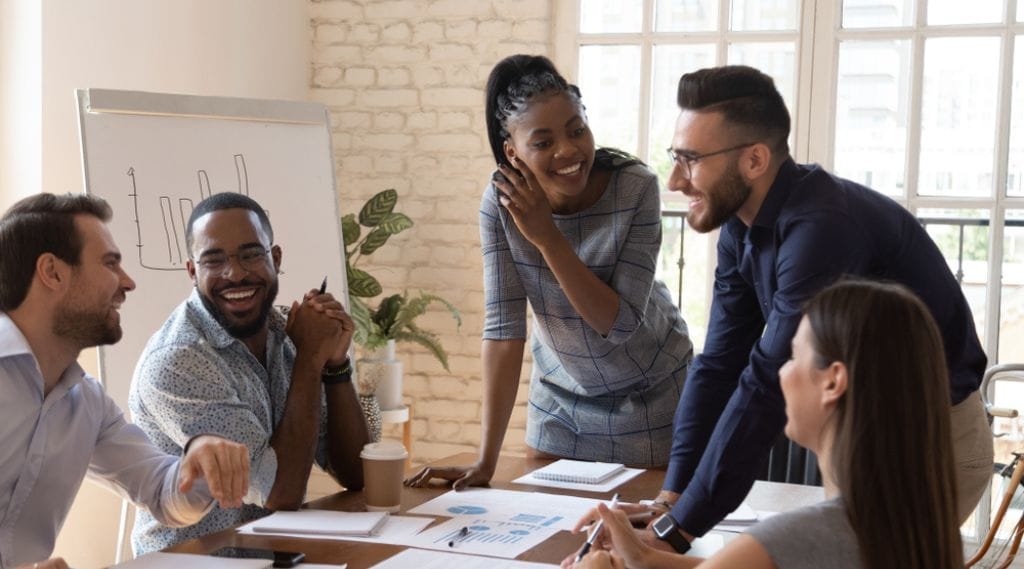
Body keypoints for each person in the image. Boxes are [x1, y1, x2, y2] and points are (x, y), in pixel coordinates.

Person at [627, 65, 990, 553]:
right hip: (859, 440)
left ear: (755, 159)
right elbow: (719, 365)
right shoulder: (741, 226)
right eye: (676, 157)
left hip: (929, 445)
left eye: (690, 160)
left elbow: (765, 379)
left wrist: (680, 529)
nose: (674, 179)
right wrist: (671, 499)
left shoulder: (821, 228)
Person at [406, 54, 694, 489]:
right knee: (546, 542)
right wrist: (485, 462)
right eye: (542, 142)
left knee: (637, 545)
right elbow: (503, 330)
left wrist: (546, 236)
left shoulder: (636, 187)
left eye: (577, 130)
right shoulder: (499, 203)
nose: (568, 150)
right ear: (512, 151)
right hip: (560, 402)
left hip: (651, 396)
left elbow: (616, 324)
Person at [573, 280, 963, 569]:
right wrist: (640, 556)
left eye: (793, 357)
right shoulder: (913, 528)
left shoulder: (798, 537)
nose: (783, 374)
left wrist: (596, 566)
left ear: (833, 382)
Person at [0, 193, 250, 569]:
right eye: (110, 264)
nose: (128, 283)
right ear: (52, 272)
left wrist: (199, 463)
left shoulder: (86, 401)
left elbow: (163, 493)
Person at [128, 192, 370, 553]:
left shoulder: (285, 331)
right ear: (193, 272)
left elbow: (357, 473)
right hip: (193, 561)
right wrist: (309, 358)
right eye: (214, 260)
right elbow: (279, 492)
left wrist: (335, 365)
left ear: (275, 258)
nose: (235, 273)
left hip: (271, 552)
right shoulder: (179, 360)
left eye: (250, 254)